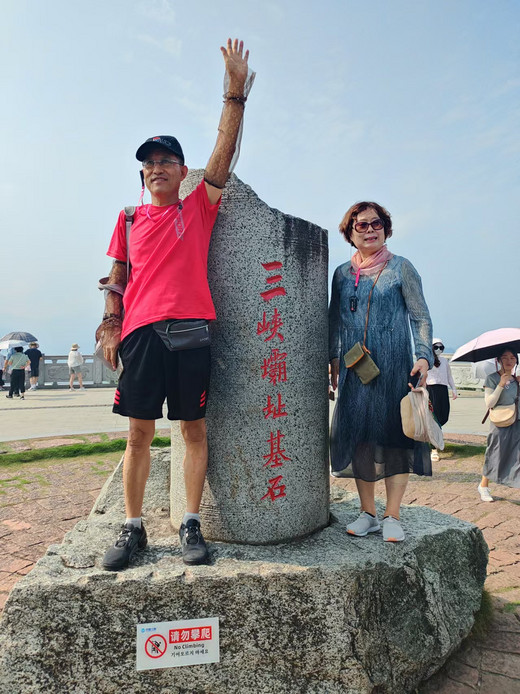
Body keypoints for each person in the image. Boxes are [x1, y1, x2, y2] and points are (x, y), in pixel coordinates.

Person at [96, 38, 254, 571]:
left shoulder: (197, 208)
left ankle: (190, 522)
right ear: (141, 174)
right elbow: (117, 280)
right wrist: (110, 328)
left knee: (192, 429)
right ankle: (134, 525)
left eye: (167, 160)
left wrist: (234, 92)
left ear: (182, 170)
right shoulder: (130, 218)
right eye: (149, 163)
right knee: (138, 434)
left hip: (192, 330)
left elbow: (222, 156)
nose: (157, 167)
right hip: (141, 333)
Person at [329, 202, 433, 542]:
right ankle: (368, 513)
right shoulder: (342, 274)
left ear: (386, 229)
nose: (370, 229)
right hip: (354, 369)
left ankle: (392, 515)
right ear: (350, 233)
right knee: (359, 438)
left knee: (394, 440)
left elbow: (419, 316)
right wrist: (332, 360)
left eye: (377, 224)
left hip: (394, 368)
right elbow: (334, 322)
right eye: (362, 225)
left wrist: (423, 357)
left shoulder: (402, 268)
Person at [478, 347, 520, 502]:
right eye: (505, 357)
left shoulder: (517, 379)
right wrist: (501, 384)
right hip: (500, 422)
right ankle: (483, 486)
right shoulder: (492, 378)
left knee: (517, 454)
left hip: (517, 420)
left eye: (512, 358)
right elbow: (489, 403)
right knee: (495, 453)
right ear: (498, 360)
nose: (509, 361)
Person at [426, 338, 457, 462]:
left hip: (443, 390)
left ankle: (434, 439)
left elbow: (449, 376)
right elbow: (421, 376)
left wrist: (454, 389)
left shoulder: (444, 361)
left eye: (441, 347)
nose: (438, 350)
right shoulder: (427, 360)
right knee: (433, 417)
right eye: (436, 347)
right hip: (431, 390)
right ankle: (434, 448)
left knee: (444, 416)